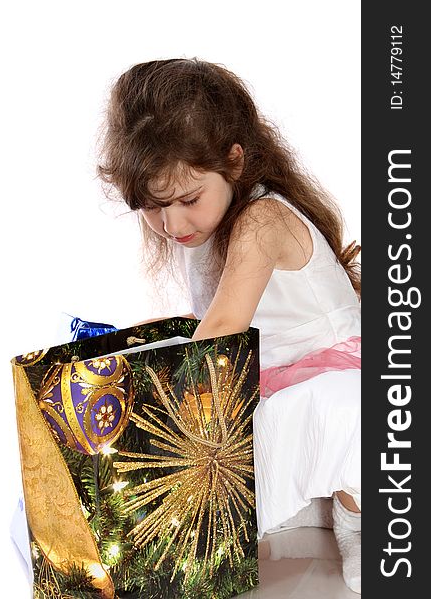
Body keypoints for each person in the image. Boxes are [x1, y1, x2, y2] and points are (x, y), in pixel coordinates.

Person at [97, 58, 361, 594]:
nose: (172, 225)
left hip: (334, 371)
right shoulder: (199, 226)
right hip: (270, 369)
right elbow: (218, 318)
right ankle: (307, 503)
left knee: (342, 410)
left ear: (235, 163)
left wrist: (154, 400)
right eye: (153, 208)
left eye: (188, 201)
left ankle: (359, 516)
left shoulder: (262, 220)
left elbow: (222, 328)